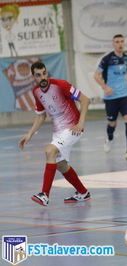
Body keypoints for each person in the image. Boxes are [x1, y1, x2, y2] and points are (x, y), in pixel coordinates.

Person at [19, 62, 91, 206]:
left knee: (49, 151)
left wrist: (81, 123)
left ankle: (45, 195)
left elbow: (85, 99)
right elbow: (41, 116)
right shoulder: (36, 92)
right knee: (61, 164)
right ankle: (83, 192)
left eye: (44, 73)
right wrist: (29, 134)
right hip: (58, 131)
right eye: (39, 75)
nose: (43, 77)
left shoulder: (61, 85)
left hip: (72, 128)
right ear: (34, 77)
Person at [94, 34, 127, 160]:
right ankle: (109, 138)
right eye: (117, 42)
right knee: (112, 123)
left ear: (124, 43)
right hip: (111, 97)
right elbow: (96, 75)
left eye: (122, 41)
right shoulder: (107, 59)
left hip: (124, 95)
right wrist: (105, 87)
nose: (120, 44)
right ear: (113, 44)